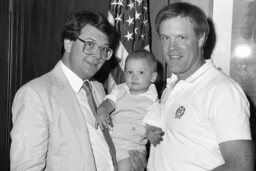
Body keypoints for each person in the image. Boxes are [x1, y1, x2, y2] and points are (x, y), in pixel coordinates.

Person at [10, 10, 146, 171]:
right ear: (68, 44)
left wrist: (132, 159)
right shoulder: (35, 94)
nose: (98, 55)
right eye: (90, 44)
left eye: (104, 49)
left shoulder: (97, 89)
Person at [145, 2, 255, 171]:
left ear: (201, 38)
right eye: (165, 38)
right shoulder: (172, 86)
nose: (171, 47)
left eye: (181, 37)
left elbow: (240, 165)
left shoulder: (222, 90)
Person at [95, 49, 159, 171]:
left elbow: (153, 122)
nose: (134, 77)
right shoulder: (119, 90)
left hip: (132, 149)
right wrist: (102, 110)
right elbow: (109, 102)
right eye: (129, 72)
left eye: (141, 72)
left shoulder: (153, 101)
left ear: (153, 77)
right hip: (109, 143)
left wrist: (151, 131)